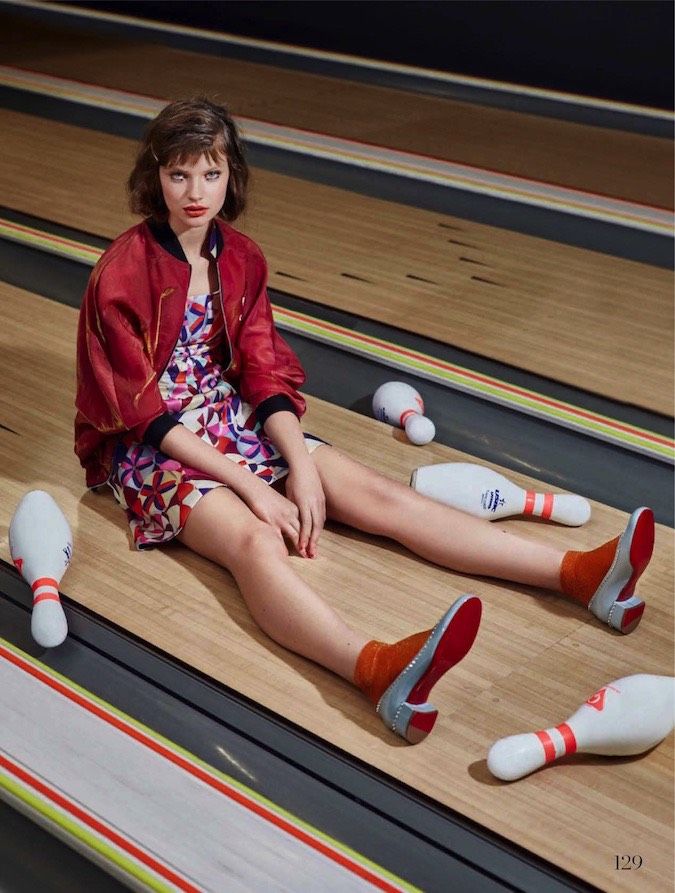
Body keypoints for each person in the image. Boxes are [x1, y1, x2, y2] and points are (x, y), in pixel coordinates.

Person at [74, 98, 655, 744]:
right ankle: (375, 669)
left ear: (230, 176)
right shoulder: (121, 272)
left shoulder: (240, 257)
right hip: (151, 448)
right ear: (153, 175)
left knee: (377, 493)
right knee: (252, 543)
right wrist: (250, 484)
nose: (194, 191)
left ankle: (576, 574)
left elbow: (264, 373)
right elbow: (142, 413)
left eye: (209, 174)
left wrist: (298, 467)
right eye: (178, 174)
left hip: (226, 418)